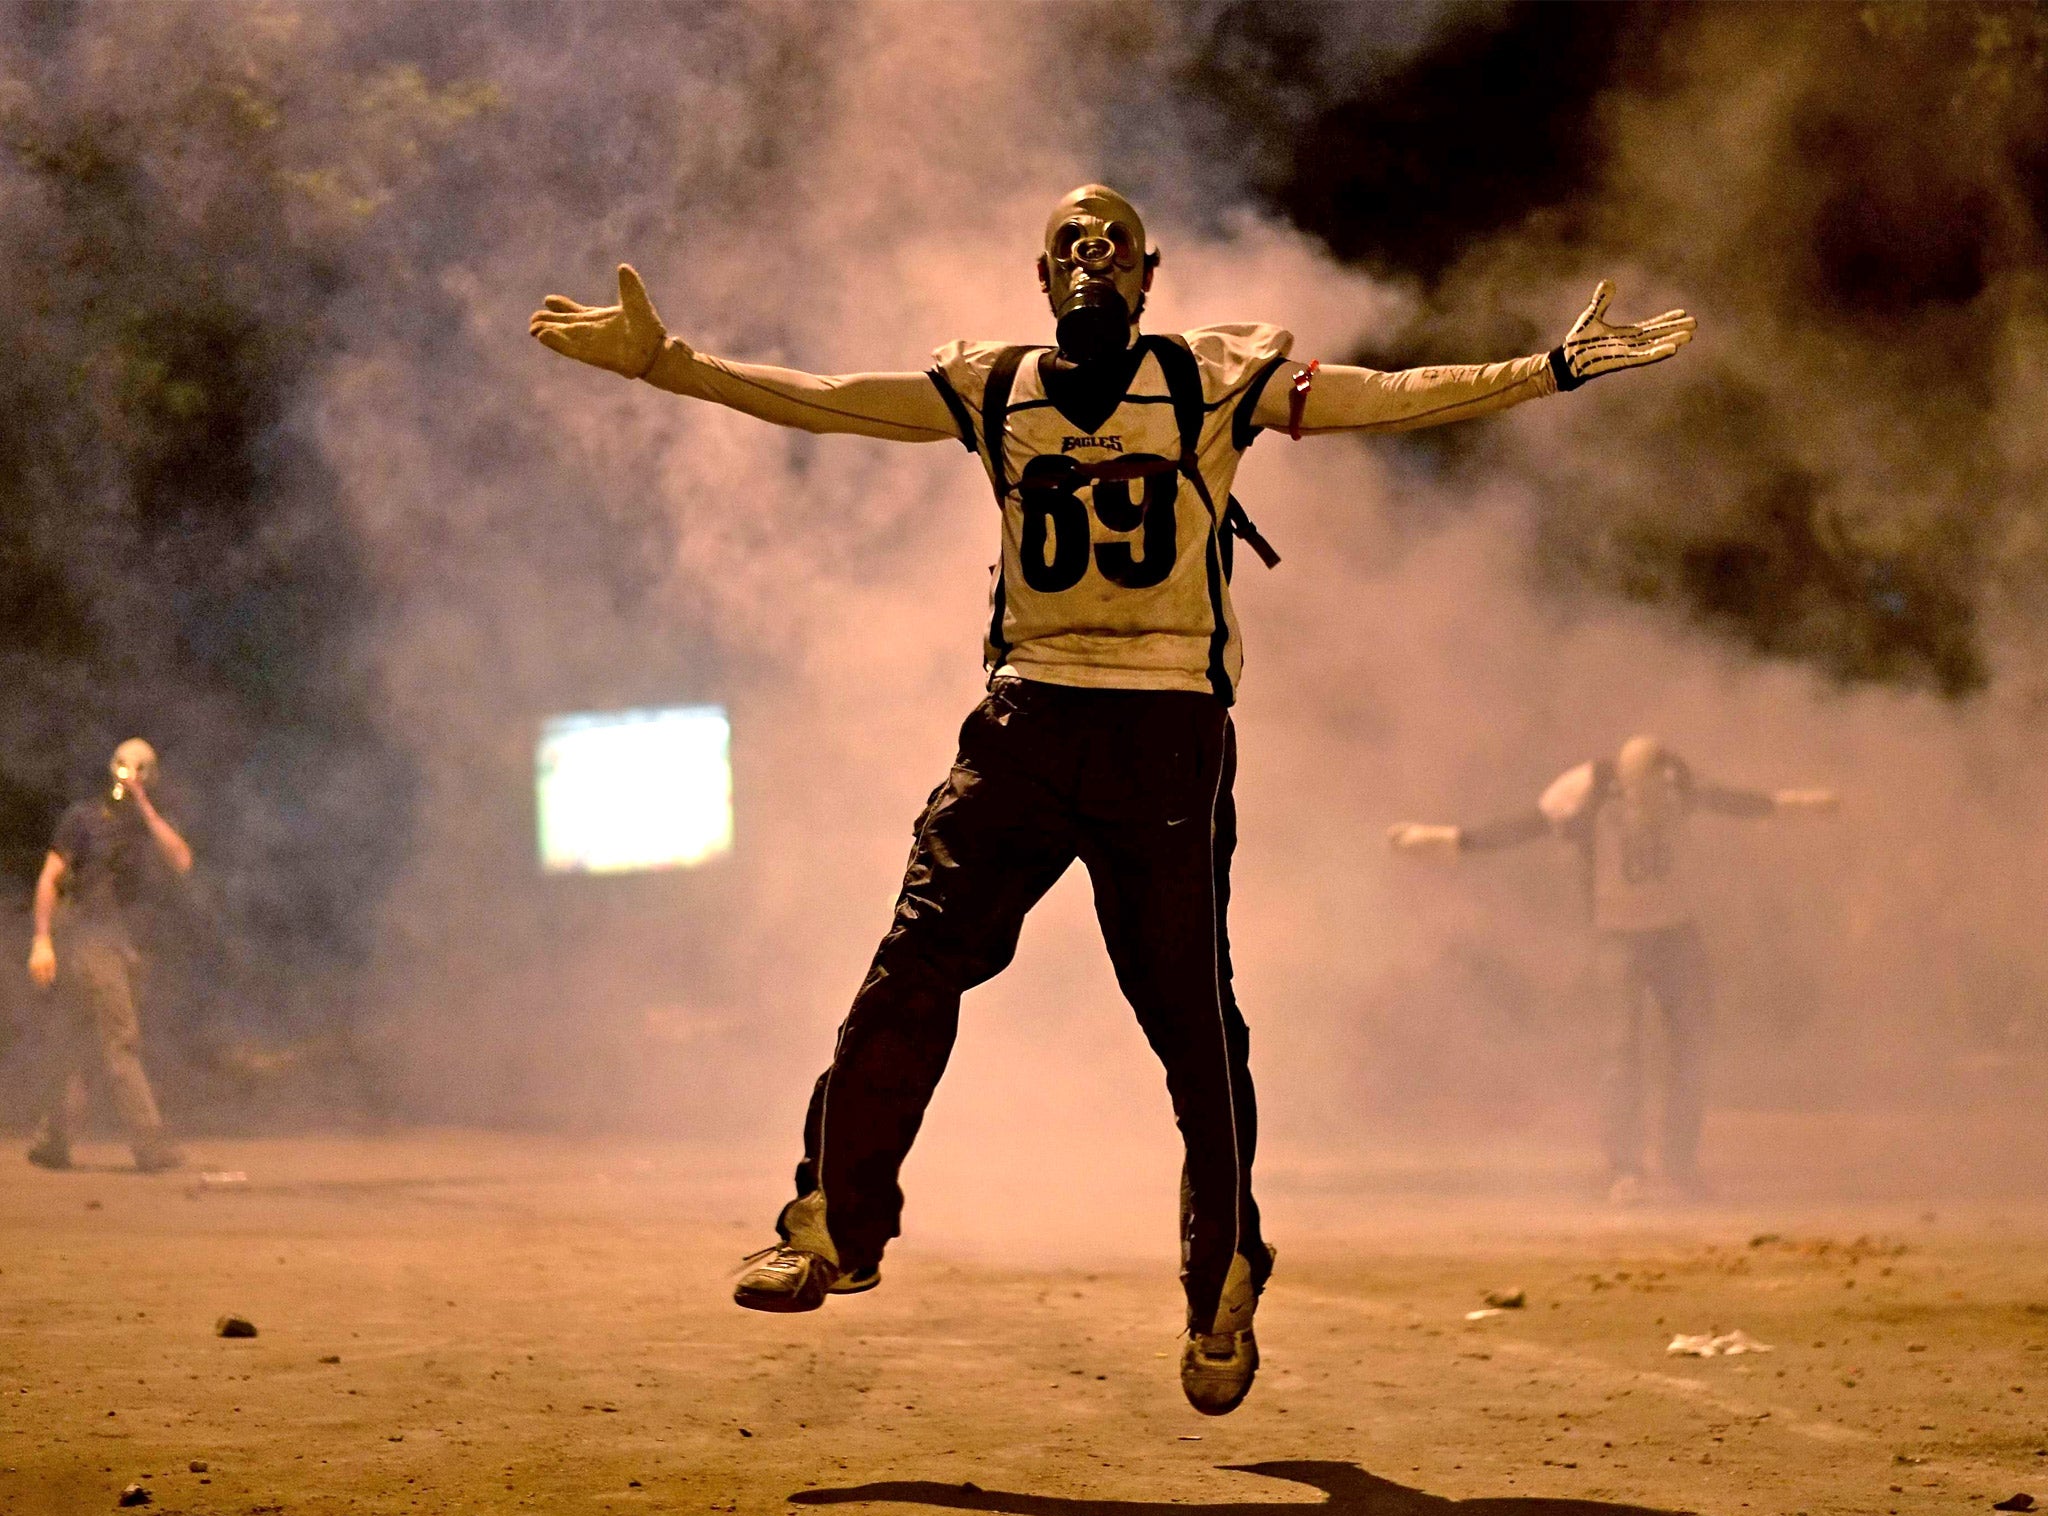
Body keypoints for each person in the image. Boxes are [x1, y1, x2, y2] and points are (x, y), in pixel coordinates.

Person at [531, 185, 1694, 1413]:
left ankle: (1223, 1275)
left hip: (1162, 733)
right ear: (1039, 279)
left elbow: (1380, 397)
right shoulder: (993, 388)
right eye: (1068, 245)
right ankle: (829, 1224)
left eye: (1113, 244)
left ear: (1150, 274)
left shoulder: (1206, 380)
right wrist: (666, 364)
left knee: (1193, 1025)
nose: (1091, 257)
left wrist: (1545, 369)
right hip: (1026, 722)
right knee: (910, 963)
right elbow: (826, 402)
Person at [1387, 733, 1836, 1203]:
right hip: (1618, 936)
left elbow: (1735, 802)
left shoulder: (1682, 781)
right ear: (1622, 787)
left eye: (1660, 798)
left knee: (1691, 1049)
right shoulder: (1585, 788)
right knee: (1621, 1053)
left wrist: (1796, 807)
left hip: (1676, 932)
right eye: (1641, 798)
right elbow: (1522, 826)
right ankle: (1626, 1170)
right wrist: (1446, 839)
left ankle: (1680, 1166)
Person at [25, 738, 192, 1174]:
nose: (127, 774)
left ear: (151, 776)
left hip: (127, 947)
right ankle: (150, 1146)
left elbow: (182, 860)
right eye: (122, 766)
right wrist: (42, 938)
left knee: (75, 1043)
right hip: (90, 942)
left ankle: (51, 1141)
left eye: (139, 769)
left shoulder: (150, 822)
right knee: (121, 1041)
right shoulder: (83, 818)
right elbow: (50, 876)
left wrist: (145, 807)